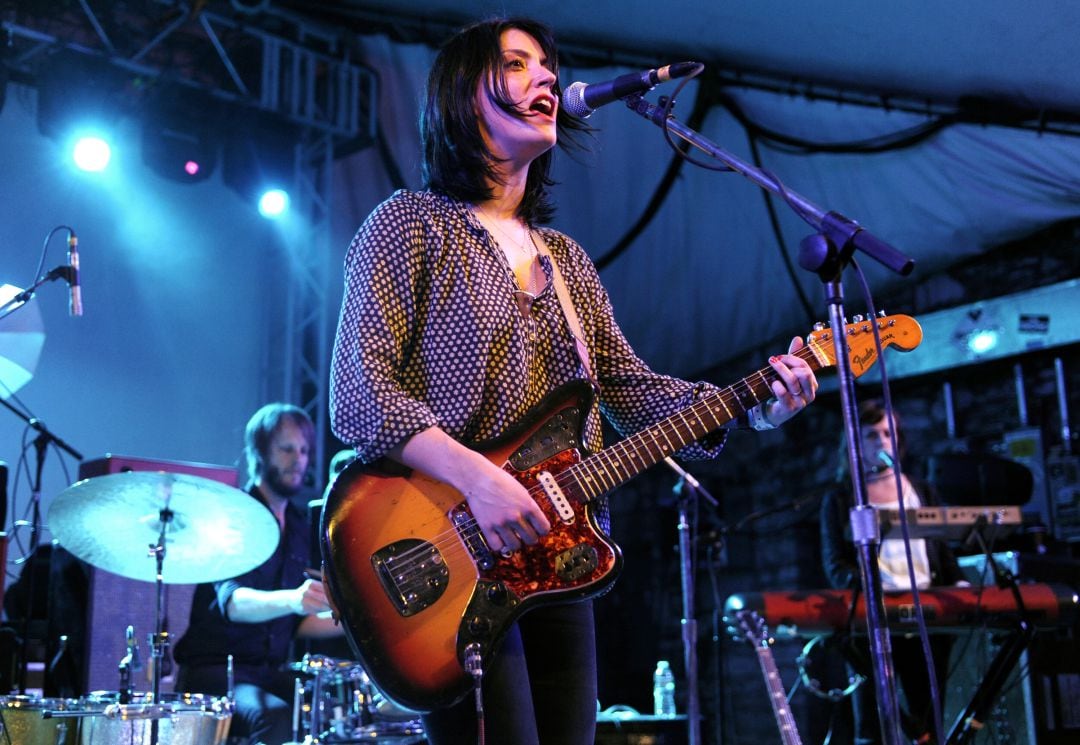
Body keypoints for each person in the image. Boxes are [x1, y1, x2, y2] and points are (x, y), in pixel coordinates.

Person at [328, 16, 819, 745]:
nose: (549, 78)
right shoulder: (410, 225)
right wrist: (480, 480)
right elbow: (360, 390)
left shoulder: (568, 262)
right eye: (519, 64)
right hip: (446, 550)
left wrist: (755, 406)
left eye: (549, 67)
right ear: (465, 94)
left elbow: (628, 388)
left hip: (558, 551)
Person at [174, 403, 343, 745]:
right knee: (275, 715)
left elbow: (297, 621)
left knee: (330, 707)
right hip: (216, 671)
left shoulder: (298, 524)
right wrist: (294, 599)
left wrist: (356, 622)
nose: (299, 459)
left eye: (304, 450)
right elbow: (234, 603)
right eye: (286, 448)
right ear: (258, 452)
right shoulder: (234, 518)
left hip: (268, 671)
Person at [820, 399, 964, 745]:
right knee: (871, 723)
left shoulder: (921, 491)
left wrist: (957, 584)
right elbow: (835, 565)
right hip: (873, 620)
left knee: (928, 718)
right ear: (855, 443)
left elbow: (940, 548)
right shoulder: (841, 499)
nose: (882, 441)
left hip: (925, 615)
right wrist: (868, 589)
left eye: (888, 433)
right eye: (872, 435)